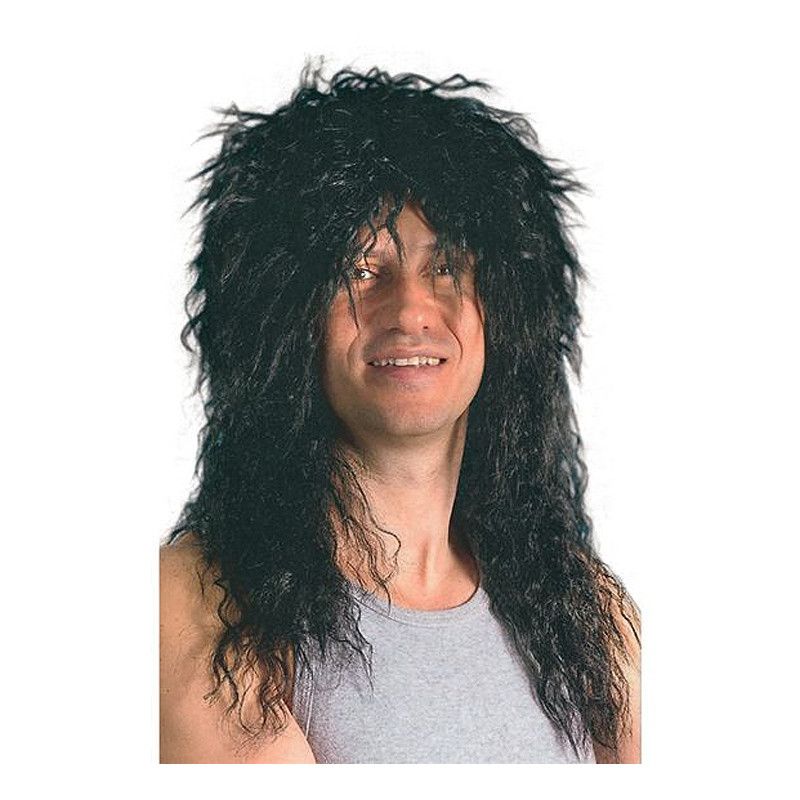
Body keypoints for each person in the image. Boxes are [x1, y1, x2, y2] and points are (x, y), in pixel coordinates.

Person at [159, 64, 641, 764]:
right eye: (360, 271)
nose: (412, 309)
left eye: (447, 268)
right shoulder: (194, 603)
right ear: (284, 319)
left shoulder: (589, 612)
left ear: (506, 309)